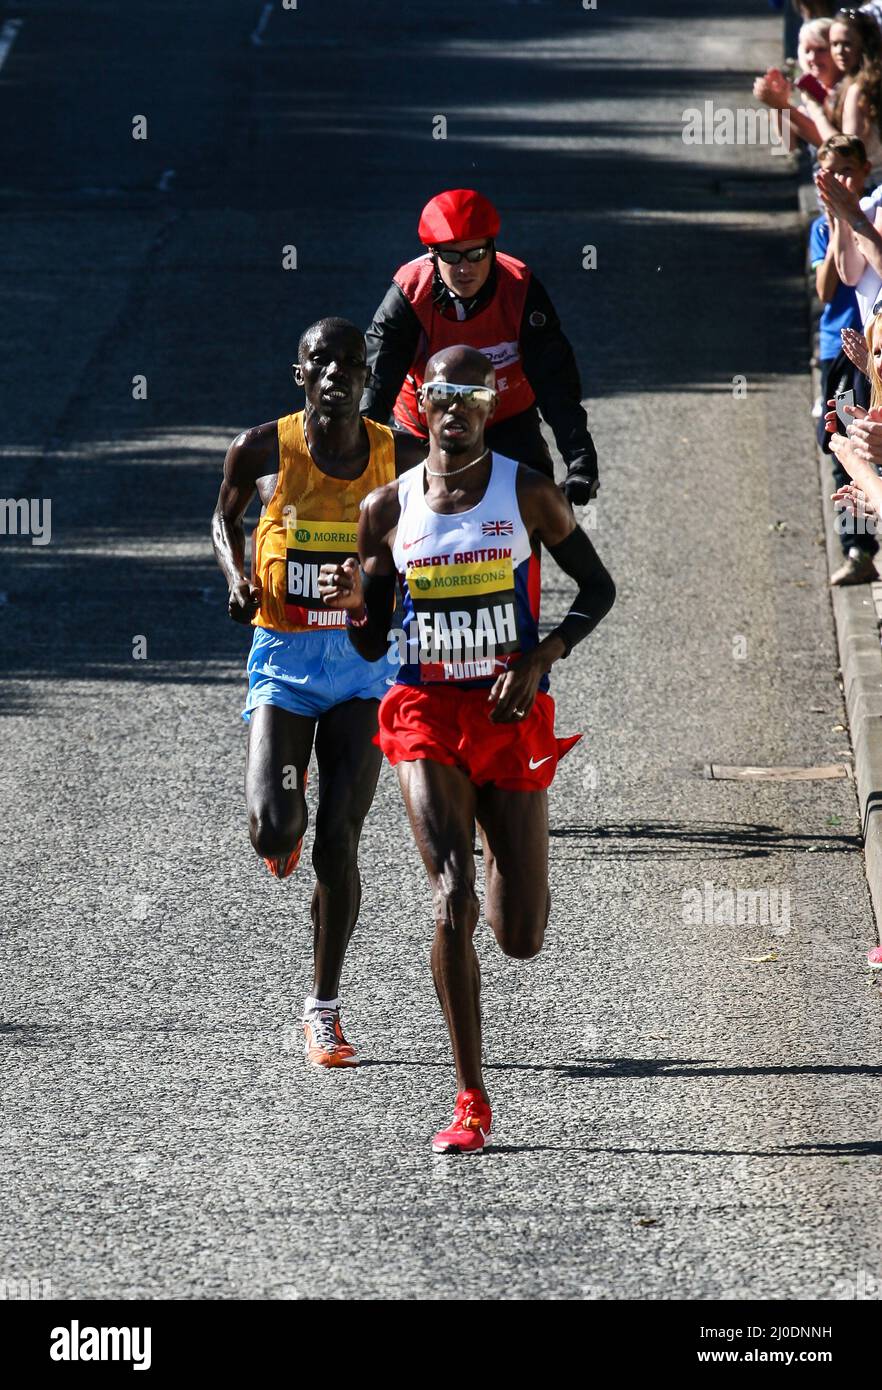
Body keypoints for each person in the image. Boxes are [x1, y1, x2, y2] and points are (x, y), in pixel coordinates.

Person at [319, 345, 615, 1153]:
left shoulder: (528, 495)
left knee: (519, 934)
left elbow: (599, 590)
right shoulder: (386, 508)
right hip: (424, 715)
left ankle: (499, 844)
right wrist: (352, 606)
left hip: (509, 715)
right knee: (450, 896)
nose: (454, 408)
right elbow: (375, 632)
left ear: (491, 405)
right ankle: (471, 1098)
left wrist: (541, 656)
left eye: (470, 395)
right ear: (420, 401)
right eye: (439, 393)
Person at [211, 317, 423, 1068]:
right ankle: (284, 831)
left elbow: (433, 540)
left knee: (340, 840)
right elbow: (223, 516)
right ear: (299, 375)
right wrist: (238, 579)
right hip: (285, 660)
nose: (336, 373)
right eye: (320, 362)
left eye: (350, 363)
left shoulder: (401, 458)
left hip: (365, 667)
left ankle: (323, 1009)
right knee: (274, 827)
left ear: (369, 380)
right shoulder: (262, 449)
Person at [360, 188, 600, 504]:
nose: (465, 268)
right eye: (451, 255)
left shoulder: (520, 288)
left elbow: (554, 380)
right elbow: (375, 385)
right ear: (432, 254)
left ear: (492, 249)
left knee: (538, 506)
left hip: (505, 422)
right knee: (397, 518)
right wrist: (356, 463)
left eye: (476, 254)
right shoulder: (408, 294)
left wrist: (580, 460)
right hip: (425, 431)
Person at [811, 135, 877, 582]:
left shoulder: (870, 210)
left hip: (872, 353)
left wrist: (852, 215)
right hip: (841, 348)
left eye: (849, 171)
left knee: (868, 440)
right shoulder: (824, 226)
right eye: (832, 173)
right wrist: (838, 220)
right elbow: (830, 285)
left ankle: (863, 548)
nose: (842, 180)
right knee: (838, 445)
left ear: (867, 169)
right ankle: (856, 548)